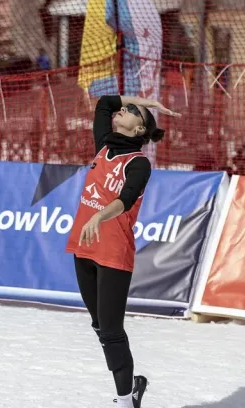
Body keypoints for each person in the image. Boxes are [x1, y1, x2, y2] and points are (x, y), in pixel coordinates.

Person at [66, 94, 180, 408]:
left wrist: (100, 215)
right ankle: (130, 387)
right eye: (124, 108)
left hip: (114, 251)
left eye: (130, 111)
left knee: (113, 330)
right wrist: (145, 101)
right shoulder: (103, 145)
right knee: (100, 327)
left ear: (139, 129)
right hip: (84, 245)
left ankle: (125, 399)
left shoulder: (139, 163)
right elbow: (104, 102)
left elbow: (127, 199)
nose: (121, 110)